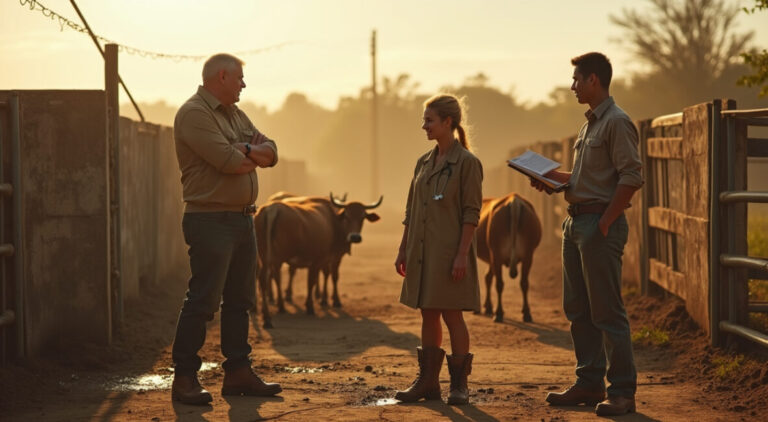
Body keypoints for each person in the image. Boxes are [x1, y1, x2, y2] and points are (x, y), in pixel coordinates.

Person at [532, 52, 643, 416]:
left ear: (594, 79)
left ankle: (623, 392)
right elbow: (581, 180)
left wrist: (607, 222)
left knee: (607, 311)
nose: (573, 86)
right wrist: (549, 178)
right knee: (577, 307)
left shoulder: (617, 122)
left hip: (598, 224)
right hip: (575, 222)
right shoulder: (589, 125)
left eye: (578, 79)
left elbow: (631, 177)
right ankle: (589, 382)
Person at [170, 53, 281, 405]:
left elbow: (273, 152)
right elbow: (229, 163)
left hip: (242, 218)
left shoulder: (234, 114)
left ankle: (238, 373)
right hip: (210, 219)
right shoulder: (194, 114)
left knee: (240, 301)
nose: (244, 85)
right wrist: (249, 154)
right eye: (240, 79)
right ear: (222, 76)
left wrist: (246, 147)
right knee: (203, 301)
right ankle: (185, 378)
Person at [394, 94, 483, 405]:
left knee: (451, 314)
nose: (424, 126)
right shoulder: (423, 162)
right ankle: (428, 383)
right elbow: (411, 210)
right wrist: (403, 248)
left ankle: (459, 385)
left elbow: (471, 213)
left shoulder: (468, 163)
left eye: (429, 120)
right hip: (421, 251)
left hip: (449, 253)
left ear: (448, 122)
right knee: (427, 312)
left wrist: (462, 255)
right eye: (424, 120)